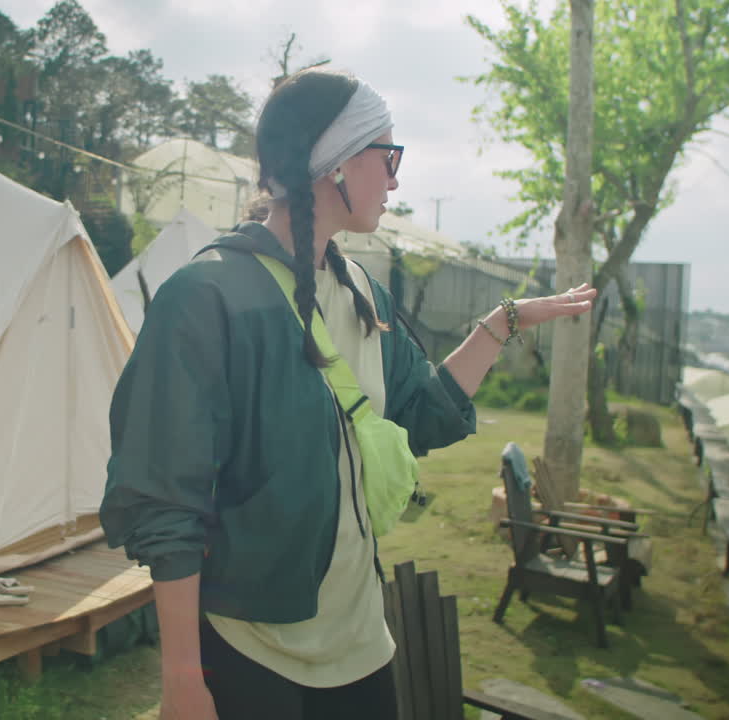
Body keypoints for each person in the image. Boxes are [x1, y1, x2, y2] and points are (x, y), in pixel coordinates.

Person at [100, 68, 596, 720]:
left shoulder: (362, 291)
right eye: (388, 157)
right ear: (335, 161)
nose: (395, 181)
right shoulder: (208, 297)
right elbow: (167, 500)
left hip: (362, 643)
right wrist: (183, 679)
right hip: (251, 650)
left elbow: (420, 413)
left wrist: (502, 324)